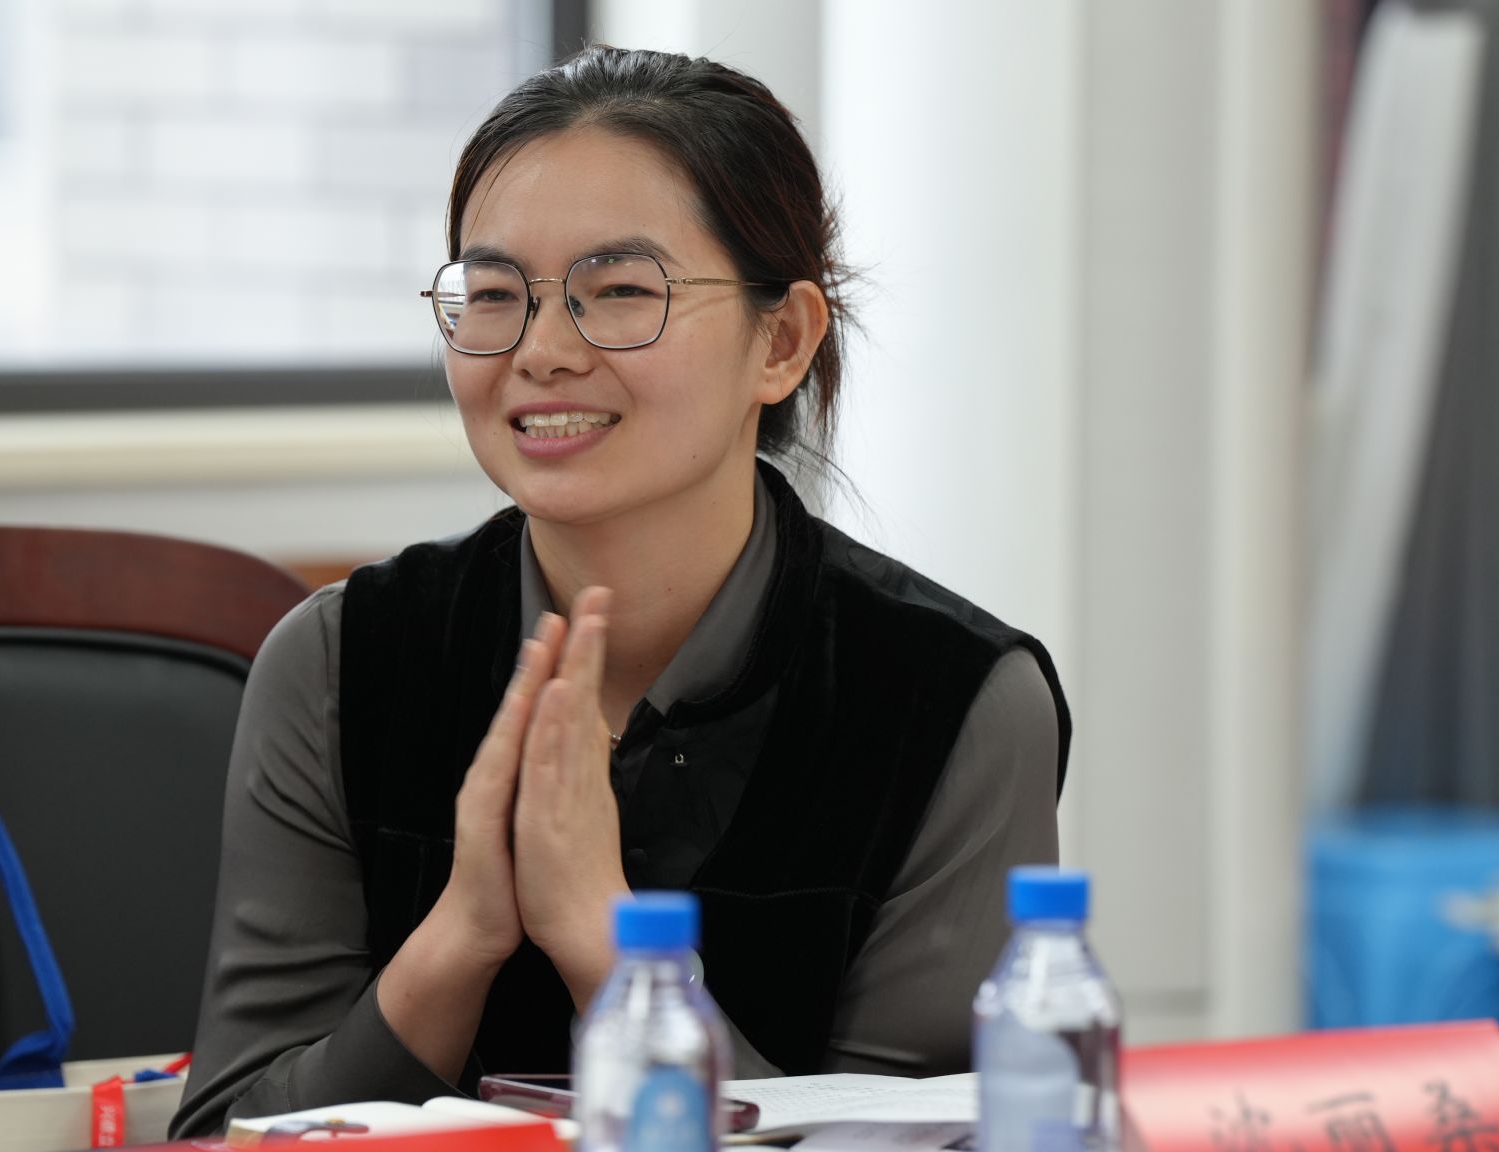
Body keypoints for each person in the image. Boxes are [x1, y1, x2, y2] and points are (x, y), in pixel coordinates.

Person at [170, 45, 1070, 1139]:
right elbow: (221, 1130)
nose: (542, 350)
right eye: (494, 296)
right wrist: (459, 938)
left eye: (619, 293)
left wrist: (607, 947)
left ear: (781, 341)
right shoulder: (337, 661)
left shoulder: (952, 702)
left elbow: (908, 1138)